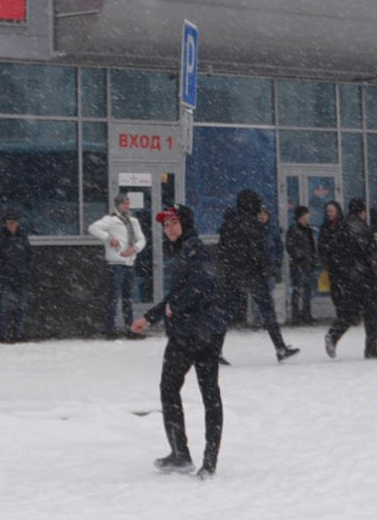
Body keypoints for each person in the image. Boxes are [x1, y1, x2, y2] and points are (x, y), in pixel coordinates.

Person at [131, 205, 227, 475]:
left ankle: (190, 456)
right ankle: (194, 458)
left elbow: (201, 287)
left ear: (185, 223)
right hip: (202, 330)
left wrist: (178, 307)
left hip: (194, 333)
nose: (169, 228)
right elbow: (179, 294)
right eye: (165, 224)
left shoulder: (195, 250)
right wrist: (151, 317)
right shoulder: (187, 250)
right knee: (204, 393)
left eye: (174, 223)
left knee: (182, 390)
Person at [217, 191, 297, 361]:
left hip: (232, 274)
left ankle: (215, 350)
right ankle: (280, 347)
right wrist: (266, 269)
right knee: (268, 312)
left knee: (225, 313)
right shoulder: (255, 226)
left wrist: (227, 270)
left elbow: (222, 251)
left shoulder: (228, 224)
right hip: (253, 275)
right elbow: (258, 253)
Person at [321, 200, 377, 359]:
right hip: (364, 276)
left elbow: (333, 251)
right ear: (362, 212)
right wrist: (374, 268)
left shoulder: (342, 226)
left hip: (347, 276)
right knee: (372, 312)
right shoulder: (362, 228)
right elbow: (369, 252)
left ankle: (334, 334)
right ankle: (371, 348)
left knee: (350, 311)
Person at [89, 193, 145, 336]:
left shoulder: (133, 221)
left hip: (129, 261)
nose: (127, 206)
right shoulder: (111, 220)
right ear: (118, 205)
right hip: (116, 262)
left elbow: (142, 239)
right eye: (124, 203)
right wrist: (109, 238)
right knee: (113, 297)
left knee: (128, 297)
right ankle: (110, 328)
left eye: (128, 203)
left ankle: (129, 327)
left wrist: (135, 248)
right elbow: (93, 228)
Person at [0, 212, 34, 343]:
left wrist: (24, 268)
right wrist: (2, 267)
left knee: (21, 307)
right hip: (5, 276)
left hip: (21, 276)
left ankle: (19, 333)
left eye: (14, 222)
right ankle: (3, 334)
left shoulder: (22, 236)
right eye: (9, 223)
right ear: (5, 224)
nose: (12, 225)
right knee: (4, 307)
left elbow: (29, 254)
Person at [284, 205, 319, 326]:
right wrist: (301, 256)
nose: (309, 216)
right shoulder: (294, 229)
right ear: (301, 216)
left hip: (308, 265)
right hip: (299, 265)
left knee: (308, 290)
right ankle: (296, 315)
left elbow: (311, 247)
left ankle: (306, 313)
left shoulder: (308, 230)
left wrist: (313, 259)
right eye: (306, 214)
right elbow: (290, 246)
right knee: (297, 290)